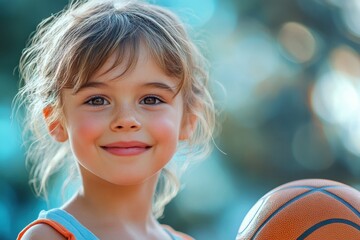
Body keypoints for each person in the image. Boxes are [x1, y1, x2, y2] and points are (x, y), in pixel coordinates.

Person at [15, 0, 216, 239]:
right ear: (56, 121)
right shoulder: (48, 238)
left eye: (151, 99)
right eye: (97, 100)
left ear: (188, 119)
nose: (126, 120)